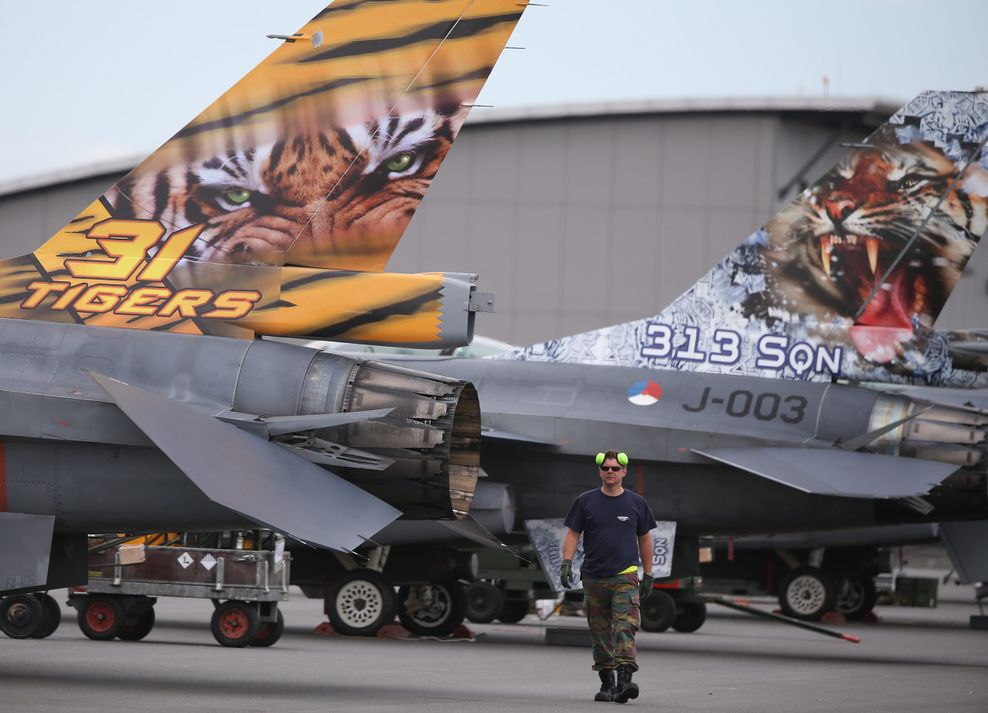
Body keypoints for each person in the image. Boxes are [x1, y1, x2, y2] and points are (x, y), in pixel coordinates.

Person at [559, 450, 657, 704]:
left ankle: (624, 682)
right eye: (606, 468)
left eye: (615, 468)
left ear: (624, 471)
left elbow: (645, 538)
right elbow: (572, 534)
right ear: (600, 471)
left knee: (625, 627)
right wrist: (566, 563)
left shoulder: (636, 503)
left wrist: (648, 574)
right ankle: (607, 684)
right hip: (593, 579)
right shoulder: (585, 501)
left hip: (625, 576)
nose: (610, 472)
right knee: (599, 633)